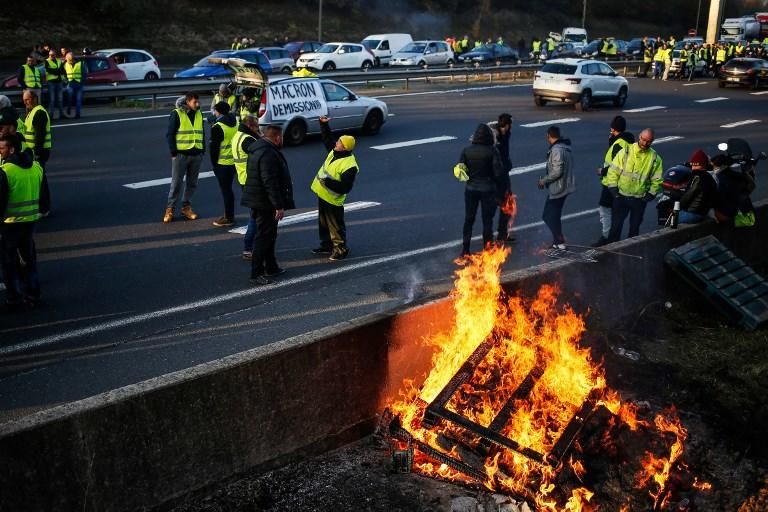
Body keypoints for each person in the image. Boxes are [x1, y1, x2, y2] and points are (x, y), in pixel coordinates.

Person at [241, 124, 294, 285]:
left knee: (269, 235)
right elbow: (269, 182)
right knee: (264, 237)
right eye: (281, 137)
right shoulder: (268, 154)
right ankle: (256, 273)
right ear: (277, 137)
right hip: (265, 203)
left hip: (258, 199)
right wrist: (278, 205)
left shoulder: (258, 149)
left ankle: (271, 266)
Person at [0, 134, 47, 310]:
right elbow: (42, 196)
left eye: (2, 148)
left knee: (8, 262)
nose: (0, 152)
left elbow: (1, 201)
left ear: (12, 149)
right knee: (29, 260)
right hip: (31, 221)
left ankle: (14, 298)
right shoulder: (36, 167)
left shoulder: (6, 171)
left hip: (11, 223)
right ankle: (33, 295)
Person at [310, 116, 360, 261]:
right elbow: (327, 138)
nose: (336, 142)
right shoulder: (335, 152)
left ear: (344, 147)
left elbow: (345, 187)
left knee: (335, 226)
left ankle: (341, 249)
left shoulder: (350, 165)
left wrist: (327, 182)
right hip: (323, 194)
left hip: (333, 199)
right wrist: (323, 124)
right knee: (323, 223)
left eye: (339, 142)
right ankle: (327, 245)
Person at [605, 128, 663, 242]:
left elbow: (657, 180)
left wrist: (650, 194)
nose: (645, 143)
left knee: (634, 230)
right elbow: (613, 171)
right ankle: (612, 251)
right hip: (621, 196)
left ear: (652, 141)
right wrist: (613, 189)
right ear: (639, 136)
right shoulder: (625, 151)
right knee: (615, 228)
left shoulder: (655, 158)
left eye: (648, 141)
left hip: (639, 199)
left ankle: (630, 251)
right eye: (643, 140)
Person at [458, 123, 505, 256]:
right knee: (487, 220)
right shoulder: (492, 151)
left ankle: (465, 249)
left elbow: (460, 172)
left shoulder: (466, 150)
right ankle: (487, 248)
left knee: (469, 219)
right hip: (488, 190)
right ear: (489, 137)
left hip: (471, 189)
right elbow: (498, 173)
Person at [164, 93, 204, 223]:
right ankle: (170, 209)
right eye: (194, 102)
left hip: (196, 154)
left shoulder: (199, 113)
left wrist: (202, 150)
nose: (197, 105)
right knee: (176, 183)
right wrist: (174, 153)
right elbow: (170, 134)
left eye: (198, 102)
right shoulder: (176, 113)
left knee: (192, 184)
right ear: (187, 102)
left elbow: (201, 132)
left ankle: (186, 207)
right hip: (181, 154)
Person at [594, 116, 634, 246]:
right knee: (616, 212)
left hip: (611, 183)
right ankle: (614, 237)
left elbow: (616, 164)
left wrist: (602, 171)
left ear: (614, 129)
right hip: (622, 183)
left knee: (605, 210)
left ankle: (607, 238)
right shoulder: (627, 142)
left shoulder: (619, 144)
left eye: (611, 129)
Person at [538, 126, 575, 249]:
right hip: (563, 187)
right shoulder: (564, 147)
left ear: (549, 136)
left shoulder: (557, 150)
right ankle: (557, 242)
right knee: (553, 215)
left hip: (558, 189)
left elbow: (557, 171)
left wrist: (543, 181)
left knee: (548, 216)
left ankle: (560, 242)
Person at [232, 113, 261, 259]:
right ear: (250, 126)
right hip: (252, 181)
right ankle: (248, 248)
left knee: (255, 215)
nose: (258, 128)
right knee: (255, 217)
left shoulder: (238, 136)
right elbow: (261, 154)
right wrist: (260, 136)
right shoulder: (248, 139)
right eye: (256, 126)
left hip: (243, 179)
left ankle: (250, 247)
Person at [22, 90, 52, 216]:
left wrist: (36, 153)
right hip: (34, 151)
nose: (25, 102)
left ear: (34, 98)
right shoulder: (32, 111)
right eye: (24, 100)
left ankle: (44, 208)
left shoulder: (39, 112)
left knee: (40, 180)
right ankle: (42, 207)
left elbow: (40, 135)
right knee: (39, 179)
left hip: (39, 151)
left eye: (27, 99)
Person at [209, 101, 238, 228]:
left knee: (226, 191)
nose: (214, 113)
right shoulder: (236, 121)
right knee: (229, 191)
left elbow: (214, 149)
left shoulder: (218, 126)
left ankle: (228, 218)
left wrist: (214, 165)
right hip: (234, 162)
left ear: (219, 111)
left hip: (222, 163)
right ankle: (229, 214)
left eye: (215, 111)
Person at [489, 113, 515, 243]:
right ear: (507, 125)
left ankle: (502, 234)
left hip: (504, 174)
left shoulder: (506, 135)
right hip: (496, 177)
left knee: (508, 204)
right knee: (495, 205)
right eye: (510, 125)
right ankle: (490, 237)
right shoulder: (494, 137)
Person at [678, 149, 717, 224]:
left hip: (693, 213)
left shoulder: (697, 176)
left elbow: (688, 195)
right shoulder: (709, 176)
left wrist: (679, 206)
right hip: (703, 212)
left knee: (672, 220)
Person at [63, 52, 86, 119]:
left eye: (69, 60)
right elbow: (63, 74)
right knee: (70, 98)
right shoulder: (65, 64)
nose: (68, 62)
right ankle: (69, 108)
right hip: (70, 84)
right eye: (67, 60)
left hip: (79, 84)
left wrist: (82, 82)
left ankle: (77, 114)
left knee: (78, 100)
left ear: (72, 59)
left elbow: (84, 74)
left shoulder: (80, 64)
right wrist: (66, 81)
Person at [44, 49, 65, 120]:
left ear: (55, 55)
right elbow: (48, 70)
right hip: (51, 83)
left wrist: (56, 71)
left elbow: (63, 71)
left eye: (52, 55)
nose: (51, 56)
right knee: (52, 100)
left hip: (59, 82)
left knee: (60, 99)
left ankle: (62, 115)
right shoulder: (47, 61)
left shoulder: (59, 61)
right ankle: (51, 116)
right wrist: (58, 71)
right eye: (50, 55)